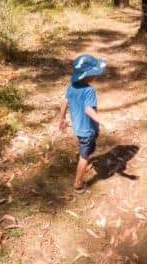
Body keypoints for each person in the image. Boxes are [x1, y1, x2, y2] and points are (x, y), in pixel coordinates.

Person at [58, 54, 106, 193]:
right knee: (85, 157)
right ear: (88, 76)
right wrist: (101, 121)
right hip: (87, 130)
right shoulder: (89, 90)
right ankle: (78, 184)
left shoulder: (72, 86)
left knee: (86, 149)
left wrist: (62, 119)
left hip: (78, 127)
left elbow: (64, 102)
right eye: (94, 74)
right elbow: (88, 109)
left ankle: (83, 157)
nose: (96, 76)